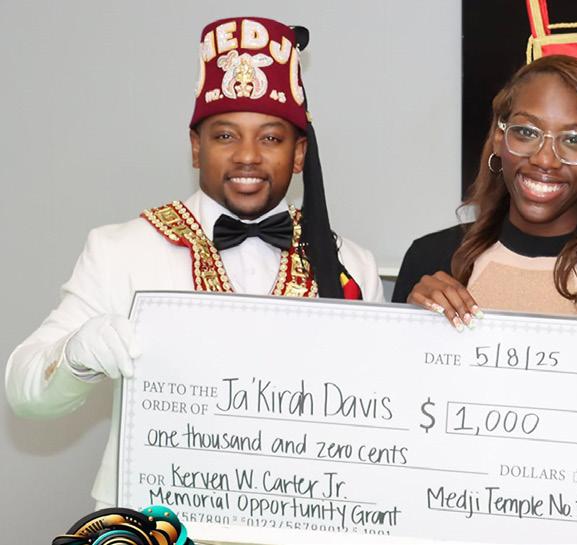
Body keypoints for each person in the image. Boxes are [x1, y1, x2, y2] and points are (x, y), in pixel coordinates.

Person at [5, 16, 383, 508]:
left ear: (299, 154)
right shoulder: (124, 249)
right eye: (225, 136)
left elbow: (375, 417)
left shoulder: (351, 265)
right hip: (154, 525)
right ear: (195, 147)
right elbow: (24, 392)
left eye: (270, 138)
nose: (247, 156)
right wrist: (76, 355)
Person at [392, 54, 577, 544]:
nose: (545, 159)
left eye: (574, 140)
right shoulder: (431, 260)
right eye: (526, 132)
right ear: (498, 139)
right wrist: (402, 337)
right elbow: (392, 430)